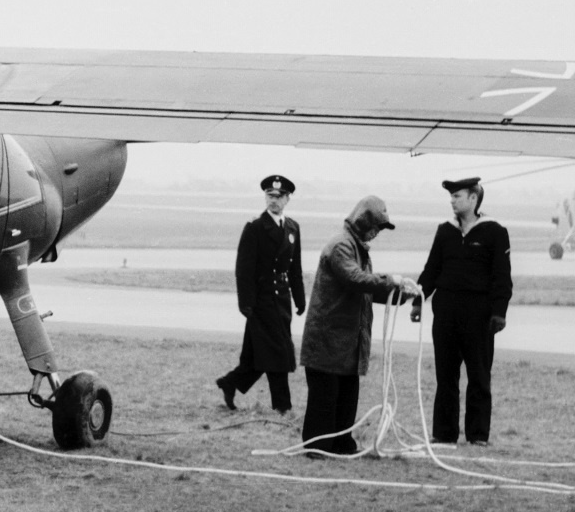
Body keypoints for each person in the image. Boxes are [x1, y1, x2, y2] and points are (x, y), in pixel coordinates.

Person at [299, 196, 420, 455]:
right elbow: (356, 279)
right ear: (363, 221)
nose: (377, 233)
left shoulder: (359, 249)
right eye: (376, 226)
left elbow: (367, 290)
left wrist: (403, 294)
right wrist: (391, 281)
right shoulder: (341, 246)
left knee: (345, 398)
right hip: (327, 343)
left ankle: (341, 446)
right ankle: (318, 449)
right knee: (326, 399)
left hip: (346, 346)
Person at [414, 177, 512, 446]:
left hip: (478, 315)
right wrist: (417, 300)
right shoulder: (445, 231)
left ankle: (478, 435)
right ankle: (444, 434)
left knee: (479, 375)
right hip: (446, 312)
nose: (452, 201)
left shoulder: (494, 231)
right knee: (446, 375)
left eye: (457, 196)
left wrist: (499, 311)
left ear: (473, 198)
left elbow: (502, 277)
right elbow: (432, 269)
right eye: (451, 197)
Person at [216, 175, 306, 413]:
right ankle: (283, 407)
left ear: (287, 199)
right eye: (270, 196)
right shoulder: (255, 227)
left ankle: (230, 382)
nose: (273, 201)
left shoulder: (292, 228)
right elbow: (243, 269)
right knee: (278, 353)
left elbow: (294, 267)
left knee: (257, 355)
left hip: (282, 301)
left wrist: (299, 298)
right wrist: (245, 303)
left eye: (278, 197)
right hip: (261, 301)